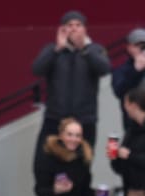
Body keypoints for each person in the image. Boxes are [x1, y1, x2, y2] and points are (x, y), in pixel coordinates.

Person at [31, 10, 110, 148]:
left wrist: (85, 49)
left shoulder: (95, 49)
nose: (74, 28)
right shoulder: (52, 49)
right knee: (43, 164)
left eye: (78, 25)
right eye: (70, 25)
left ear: (85, 29)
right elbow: (37, 70)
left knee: (82, 165)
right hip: (55, 118)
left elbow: (104, 69)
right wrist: (57, 49)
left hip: (85, 120)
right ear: (62, 29)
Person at [33, 117, 93, 196]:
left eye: (77, 135)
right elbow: (39, 190)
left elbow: (84, 191)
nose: (74, 139)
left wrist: (100, 195)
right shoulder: (48, 158)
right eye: (70, 135)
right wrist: (55, 190)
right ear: (61, 135)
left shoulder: (83, 160)